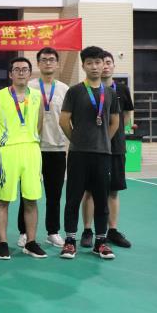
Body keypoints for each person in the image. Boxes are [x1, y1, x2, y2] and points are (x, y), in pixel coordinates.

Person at [58, 46, 120, 260]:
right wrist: (76, 140)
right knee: (73, 198)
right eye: (90, 63)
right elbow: (64, 120)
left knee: (102, 199)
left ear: (104, 65)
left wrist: (102, 141)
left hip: (102, 155)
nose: (94, 66)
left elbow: (115, 122)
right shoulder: (75, 91)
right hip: (78, 155)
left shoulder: (110, 93)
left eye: (98, 62)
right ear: (83, 66)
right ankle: (69, 241)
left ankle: (100, 242)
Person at [0, 57, 46, 260]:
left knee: (31, 199)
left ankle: (30, 242)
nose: (21, 72)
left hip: (31, 151)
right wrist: (3, 145)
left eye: (25, 69)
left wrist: (30, 142)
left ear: (30, 73)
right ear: (10, 74)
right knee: (3, 199)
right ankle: (3, 243)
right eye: (17, 69)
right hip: (7, 151)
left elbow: (39, 125)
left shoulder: (37, 96)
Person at [80, 51, 134, 249]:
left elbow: (126, 117)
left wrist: (112, 134)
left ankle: (112, 230)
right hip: (93, 149)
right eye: (101, 63)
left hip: (116, 148)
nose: (105, 66)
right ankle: (87, 230)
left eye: (108, 62)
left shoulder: (122, 90)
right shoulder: (86, 90)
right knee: (89, 191)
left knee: (113, 191)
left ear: (112, 66)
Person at [16, 47, 68, 249]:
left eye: (51, 59)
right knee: (27, 194)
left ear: (57, 64)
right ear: (38, 64)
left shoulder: (64, 89)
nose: (48, 63)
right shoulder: (29, 87)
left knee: (54, 195)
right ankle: (24, 232)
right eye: (44, 60)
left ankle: (52, 232)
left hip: (56, 149)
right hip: (32, 149)